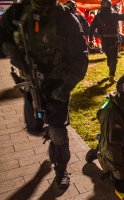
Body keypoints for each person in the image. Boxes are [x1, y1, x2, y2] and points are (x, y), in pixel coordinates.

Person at [0, 0, 88, 189]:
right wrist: (12, 52)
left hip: (58, 83)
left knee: (58, 131)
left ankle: (61, 169)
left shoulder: (65, 18)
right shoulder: (18, 11)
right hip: (30, 82)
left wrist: (65, 87)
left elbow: (81, 57)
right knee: (34, 127)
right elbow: (3, 35)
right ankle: (47, 128)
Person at [89, 0, 124, 83]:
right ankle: (112, 74)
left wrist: (91, 39)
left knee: (110, 57)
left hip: (104, 40)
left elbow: (92, 28)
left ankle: (111, 74)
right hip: (113, 39)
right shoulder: (113, 14)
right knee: (113, 58)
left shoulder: (98, 16)